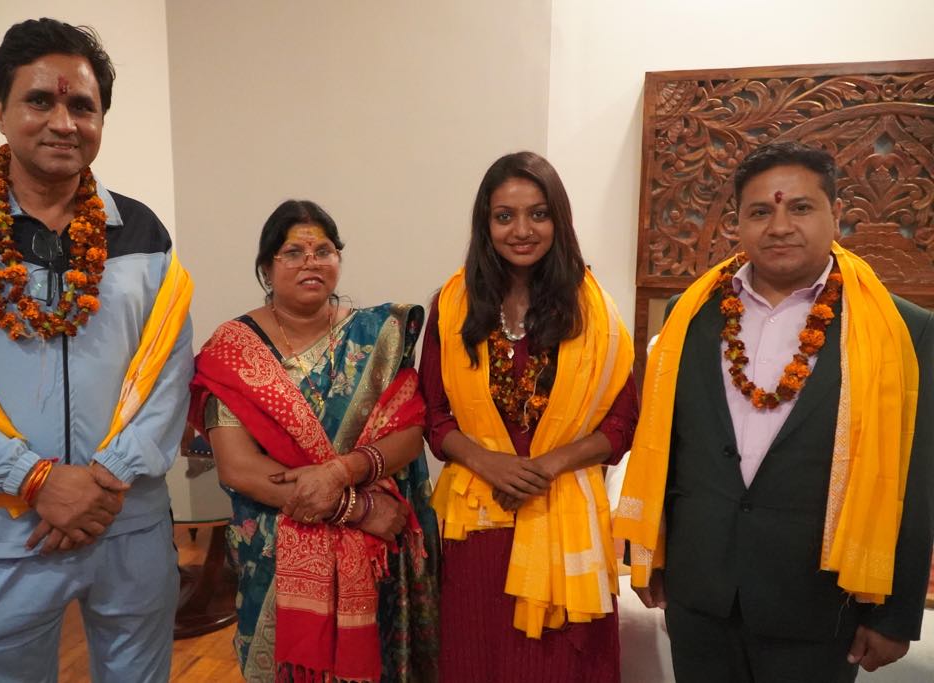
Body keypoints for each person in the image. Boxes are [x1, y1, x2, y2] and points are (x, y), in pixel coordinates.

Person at [0, 18, 193, 682]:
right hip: (3, 528)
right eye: (40, 100)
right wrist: (33, 479)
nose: (64, 123)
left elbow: (168, 374)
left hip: (127, 519)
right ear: (0, 110)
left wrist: (104, 480)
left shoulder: (143, 232)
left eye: (83, 106)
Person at [616, 141, 934, 682]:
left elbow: (914, 479)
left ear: (837, 213)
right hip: (701, 592)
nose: (780, 226)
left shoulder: (903, 330)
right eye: (760, 211)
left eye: (801, 208)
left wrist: (895, 615)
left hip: (817, 602)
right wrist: (648, 556)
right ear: (737, 223)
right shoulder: (689, 313)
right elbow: (665, 446)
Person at [188, 199, 439, 682]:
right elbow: (238, 467)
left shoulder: (378, 336)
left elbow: (410, 433)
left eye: (323, 250)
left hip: (373, 555)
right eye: (293, 252)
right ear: (266, 268)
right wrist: (355, 508)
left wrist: (341, 471)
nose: (311, 261)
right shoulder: (232, 350)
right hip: (278, 542)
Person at [422, 151, 639, 683]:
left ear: (558, 220)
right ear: (486, 224)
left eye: (538, 214)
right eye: (505, 216)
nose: (522, 230)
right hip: (478, 522)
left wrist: (548, 465)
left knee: (559, 665)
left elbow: (622, 422)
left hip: (563, 510)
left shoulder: (595, 313)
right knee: (476, 661)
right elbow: (434, 414)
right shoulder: (452, 306)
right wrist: (488, 462)